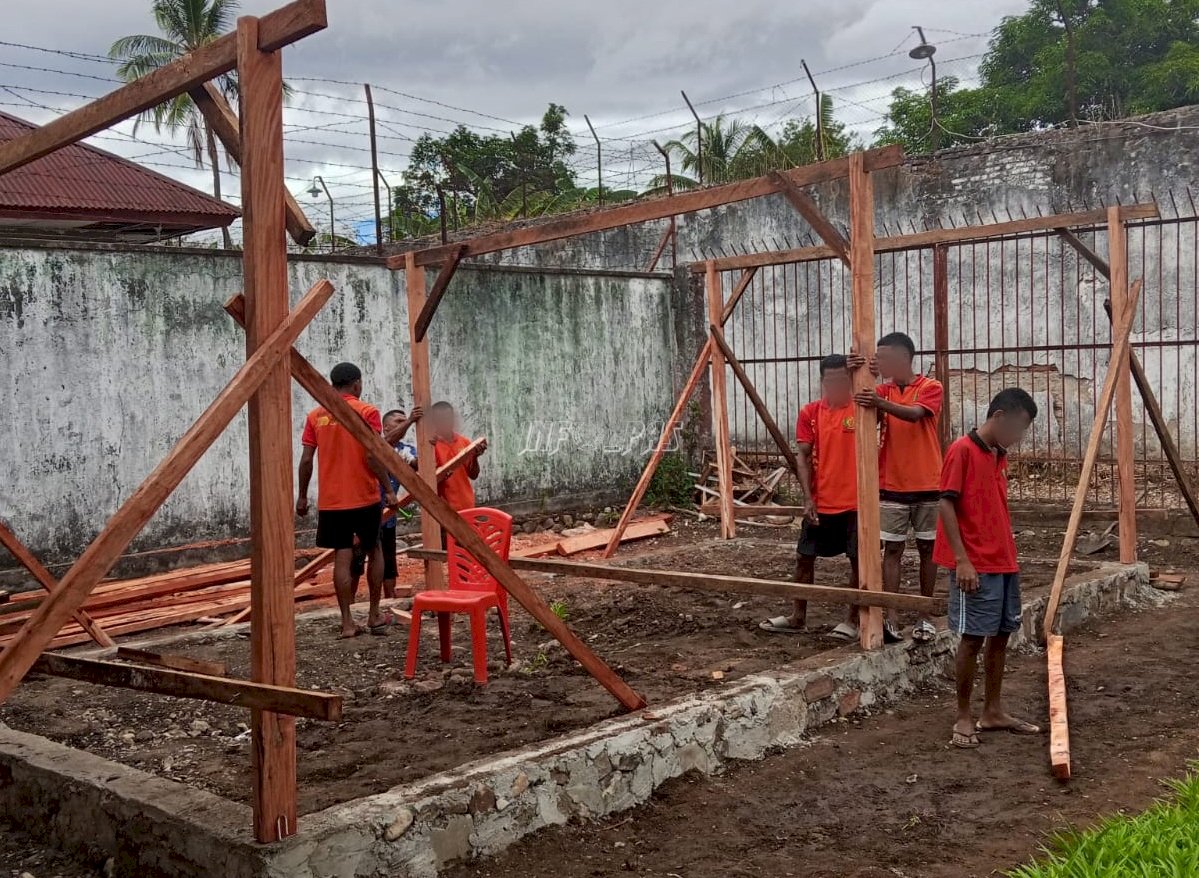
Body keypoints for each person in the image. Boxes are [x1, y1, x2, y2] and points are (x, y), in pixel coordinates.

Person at [935, 387, 1040, 749]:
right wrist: (962, 560)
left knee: (1001, 635)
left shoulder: (998, 454)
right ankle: (964, 715)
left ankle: (992, 711)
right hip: (976, 564)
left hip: (1004, 561)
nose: (1018, 437)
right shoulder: (961, 451)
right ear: (998, 418)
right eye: (1017, 428)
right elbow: (946, 505)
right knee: (971, 638)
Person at [760, 355, 861, 640]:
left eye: (842, 379)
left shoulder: (861, 409)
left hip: (856, 504)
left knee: (858, 561)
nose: (836, 385)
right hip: (822, 500)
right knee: (804, 557)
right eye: (831, 380)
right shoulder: (811, 413)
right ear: (823, 381)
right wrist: (808, 498)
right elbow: (802, 457)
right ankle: (798, 616)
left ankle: (853, 620)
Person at [853, 332, 944, 643]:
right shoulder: (882, 390)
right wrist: (857, 371)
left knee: (927, 549)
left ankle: (924, 613)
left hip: (928, 483)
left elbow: (915, 415)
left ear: (905, 358)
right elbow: (867, 410)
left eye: (886, 357)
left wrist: (879, 401)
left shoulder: (930, 388)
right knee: (892, 549)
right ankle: (891, 615)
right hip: (891, 484)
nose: (881, 363)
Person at [296, 362, 398, 639]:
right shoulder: (367, 411)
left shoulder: (316, 415)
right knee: (374, 550)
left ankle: (347, 622)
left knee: (342, 555)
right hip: (363, 496)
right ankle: (375, 614)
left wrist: (303, 495)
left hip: (332, 501)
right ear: (356, 384)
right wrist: (388, 489)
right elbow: (373, 455)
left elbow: (307, 460)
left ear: (332, 385)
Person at [429, 401, 486, 513]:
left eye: (447, 418)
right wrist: (442, 476)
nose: (445, 422)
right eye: (440, 419)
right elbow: (429, 481)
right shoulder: (430, 446)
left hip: (467, 503)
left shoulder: (464, 442)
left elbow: (473, 475)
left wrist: (475, 457)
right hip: (443, 507)